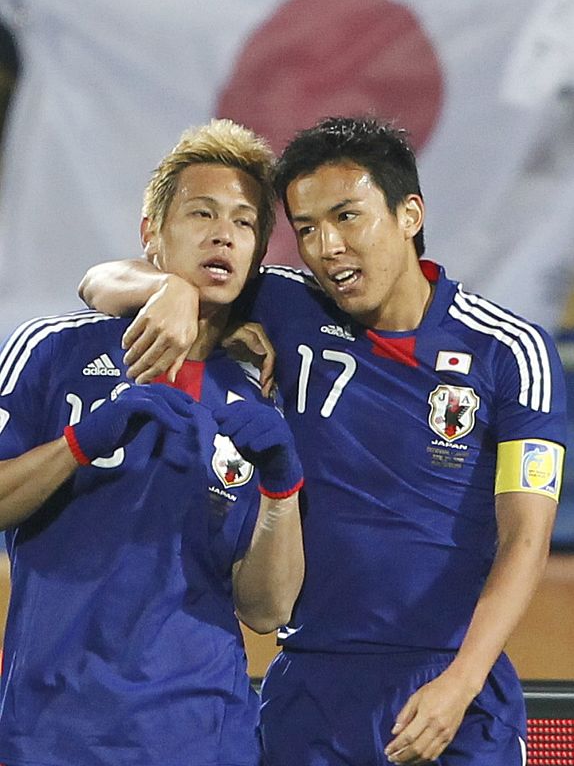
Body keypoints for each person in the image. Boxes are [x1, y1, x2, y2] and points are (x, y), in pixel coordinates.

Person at [79, 116, 567, 766]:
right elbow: (99, 281)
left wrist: (462, 682)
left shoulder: (509, 350)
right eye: (306, 228)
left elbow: (526, 540)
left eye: (346, 218)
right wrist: (169, 288)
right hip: (308, 685)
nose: (326, 247)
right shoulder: (287, 304)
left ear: (410, 214)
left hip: (448, 688)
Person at [0, 118, 305, 766]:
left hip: (205, 737)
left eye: (244, 222)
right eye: (202, 213)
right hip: (51, 734)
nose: (223, 233)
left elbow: (266, 608)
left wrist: (282, 490)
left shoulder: (260, 390)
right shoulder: (53, 349)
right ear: (151, 236)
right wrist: (79, 444)